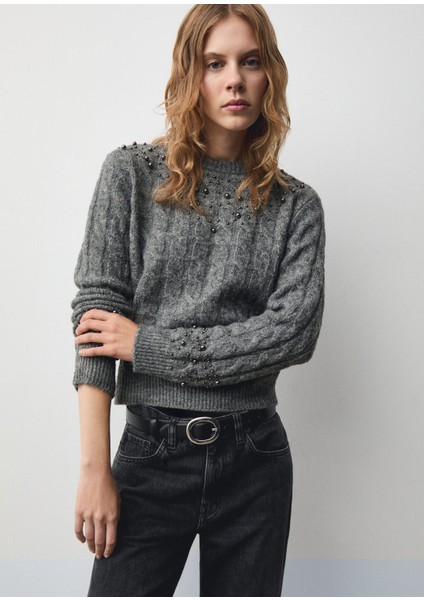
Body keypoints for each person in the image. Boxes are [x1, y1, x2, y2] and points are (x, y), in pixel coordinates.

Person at [71, 4, 325, 597]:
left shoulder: (296, 206)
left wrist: (147, 346)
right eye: (215, 63)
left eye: (250, 62)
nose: (235, 79)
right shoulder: (130, 175)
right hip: (150, 453)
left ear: (270, 75)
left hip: (256, 461)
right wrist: (94, 468)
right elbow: (96, 323)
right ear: (191, 74)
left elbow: (292, 334)